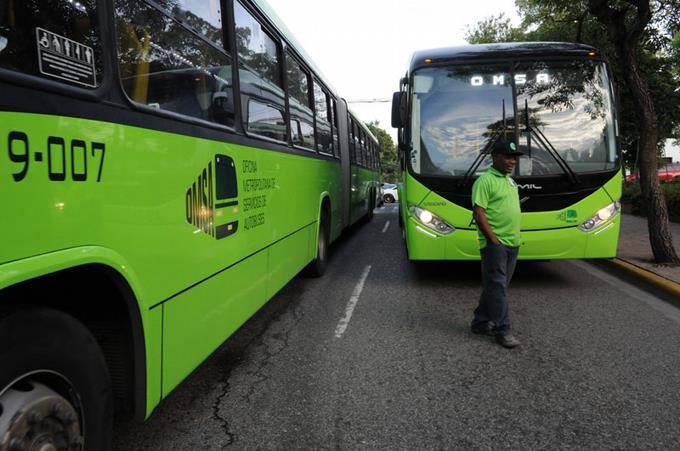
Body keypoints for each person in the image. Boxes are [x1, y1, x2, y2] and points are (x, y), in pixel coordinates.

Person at [470, 137, 523, 348]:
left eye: (514, 158)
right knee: (498, 286)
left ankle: (480, 322)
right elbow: (478, 212)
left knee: (496, 286)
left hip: (513, 242)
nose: (512, 161)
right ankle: (503, 330)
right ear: (495, 157)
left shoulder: (510, 181)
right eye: (507, 157)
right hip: (496, 245)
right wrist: (494, 240)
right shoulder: (484, 181)